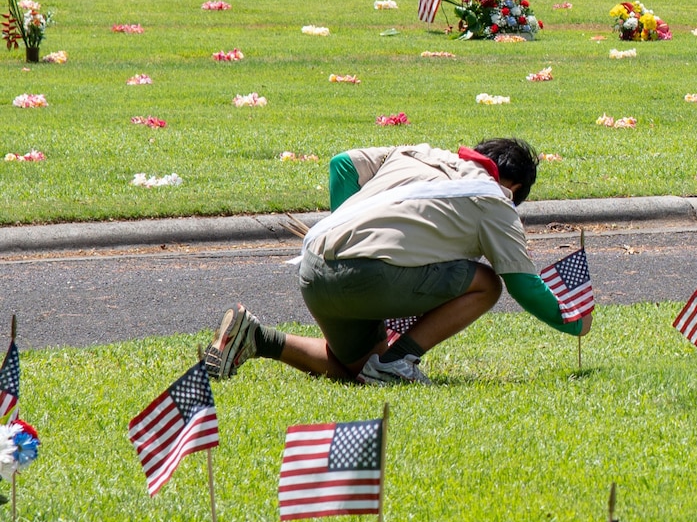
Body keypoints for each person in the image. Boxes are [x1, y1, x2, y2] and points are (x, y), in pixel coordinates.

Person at [203, 138, 591, 385]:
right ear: (515, 187)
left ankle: (256, 337)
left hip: (313, 270)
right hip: (368, 278)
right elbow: (521, 283)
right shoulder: (494, 200)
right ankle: (399, 362)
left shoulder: (416, 153)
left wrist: (348, 225)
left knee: (355, 368)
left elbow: (342, 163)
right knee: (488, 283)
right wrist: (572, 321)